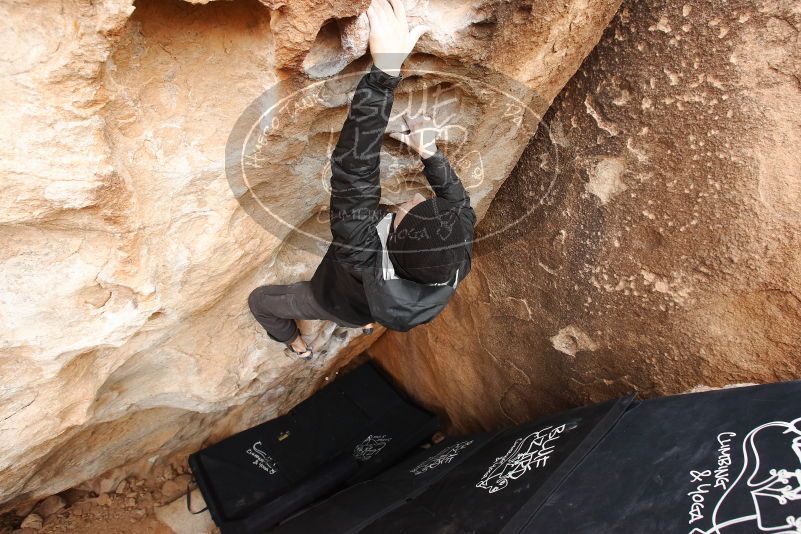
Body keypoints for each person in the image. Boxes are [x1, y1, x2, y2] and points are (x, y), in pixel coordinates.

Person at [248, 0, 476, 360]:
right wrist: (429, 152)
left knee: (260, 302)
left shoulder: (360, 252)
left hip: (333, 300)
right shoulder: (454, 260)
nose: (416, 199)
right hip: (377, 304)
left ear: (398, 237)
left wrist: (385, 70)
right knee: (363, 312)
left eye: (411, 212)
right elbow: (458, 203)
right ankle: (363, 322)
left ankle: (293, 343)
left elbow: (354, 169)